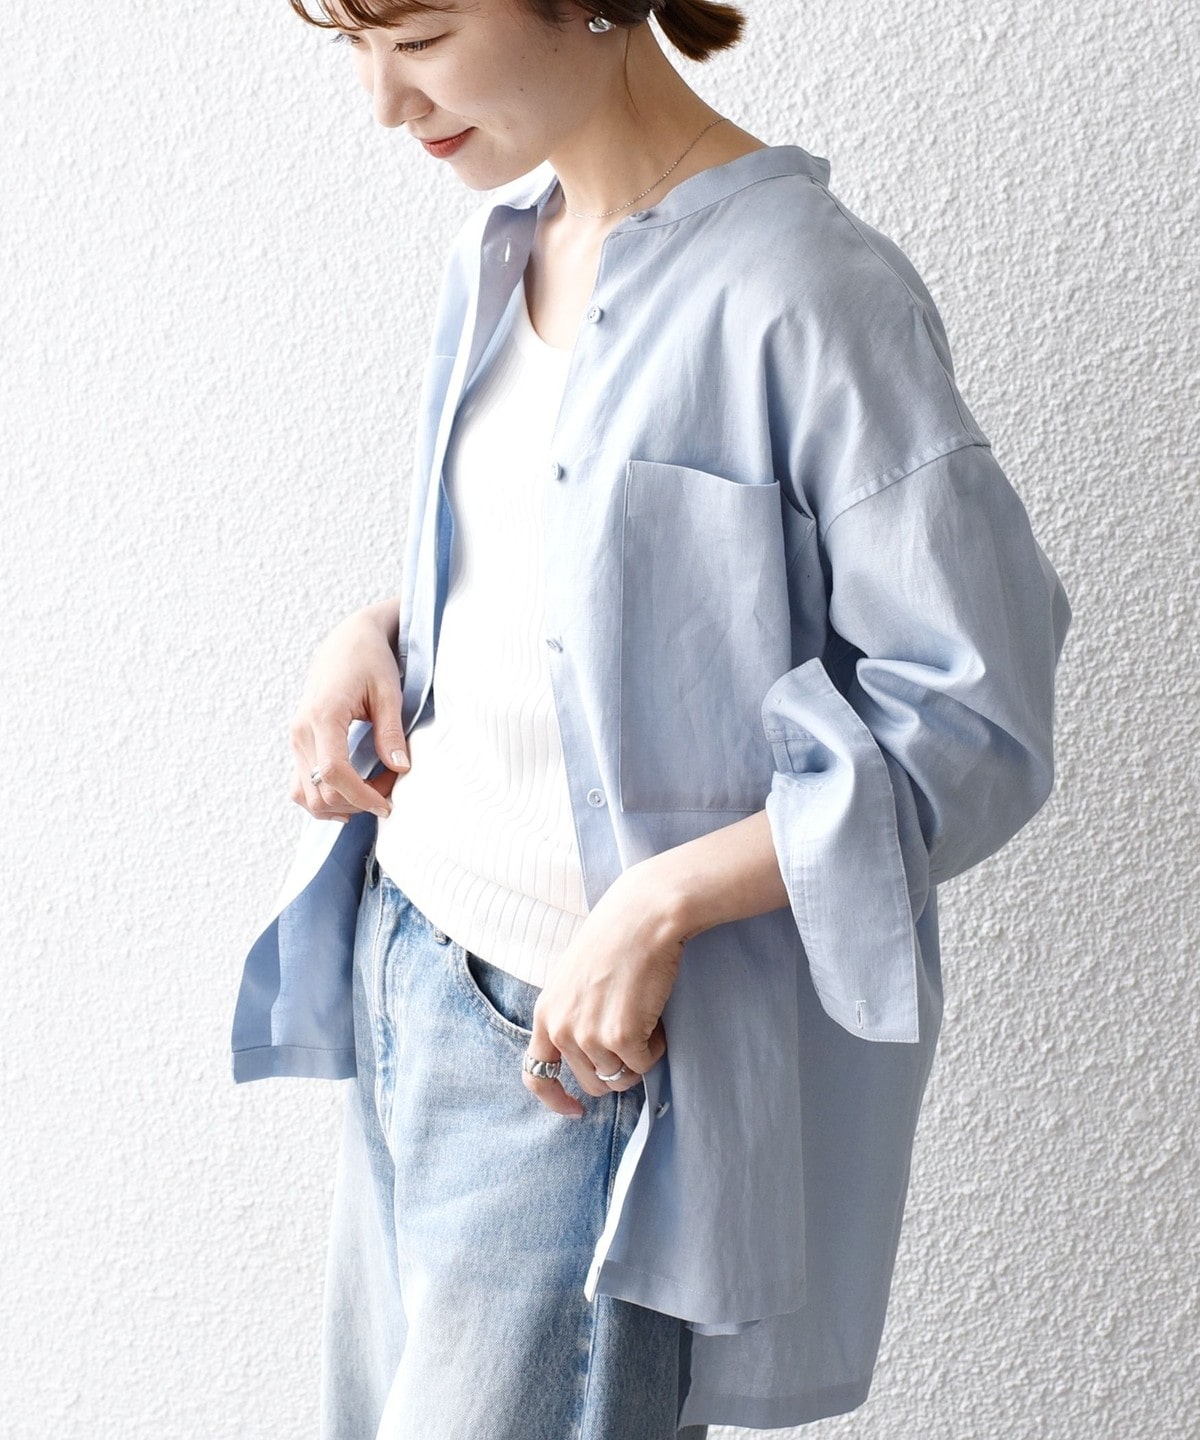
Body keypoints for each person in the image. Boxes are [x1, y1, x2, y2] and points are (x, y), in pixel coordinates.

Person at [230, 1, 1071, 1436]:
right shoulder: (506, 246)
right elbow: (593, 593)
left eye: (419, 36)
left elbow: (973, 715)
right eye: (352, 45)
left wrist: (664, 899)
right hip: (405, 955)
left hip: (578, 1060)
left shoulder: (808, 293)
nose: (384, 102)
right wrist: (375, 631)